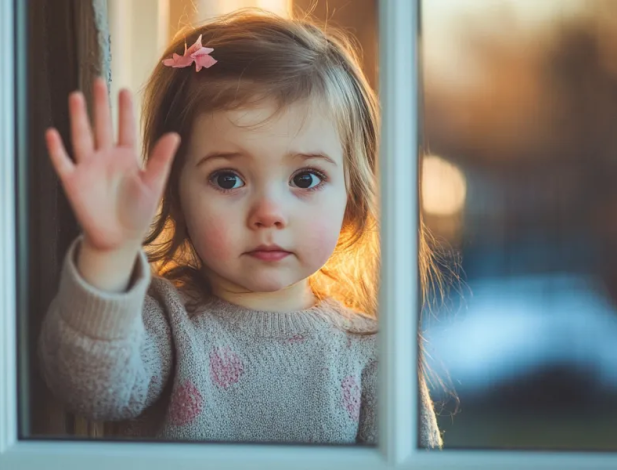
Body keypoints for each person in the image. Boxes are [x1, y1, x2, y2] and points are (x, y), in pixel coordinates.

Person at [38, 8, 442, 447]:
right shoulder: (165, 322)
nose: (268, 212)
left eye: (305, 178)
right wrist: (108, 251)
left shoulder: (373, 355)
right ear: (175, 194)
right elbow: (90, 388)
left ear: (353, 198)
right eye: (227, 178)